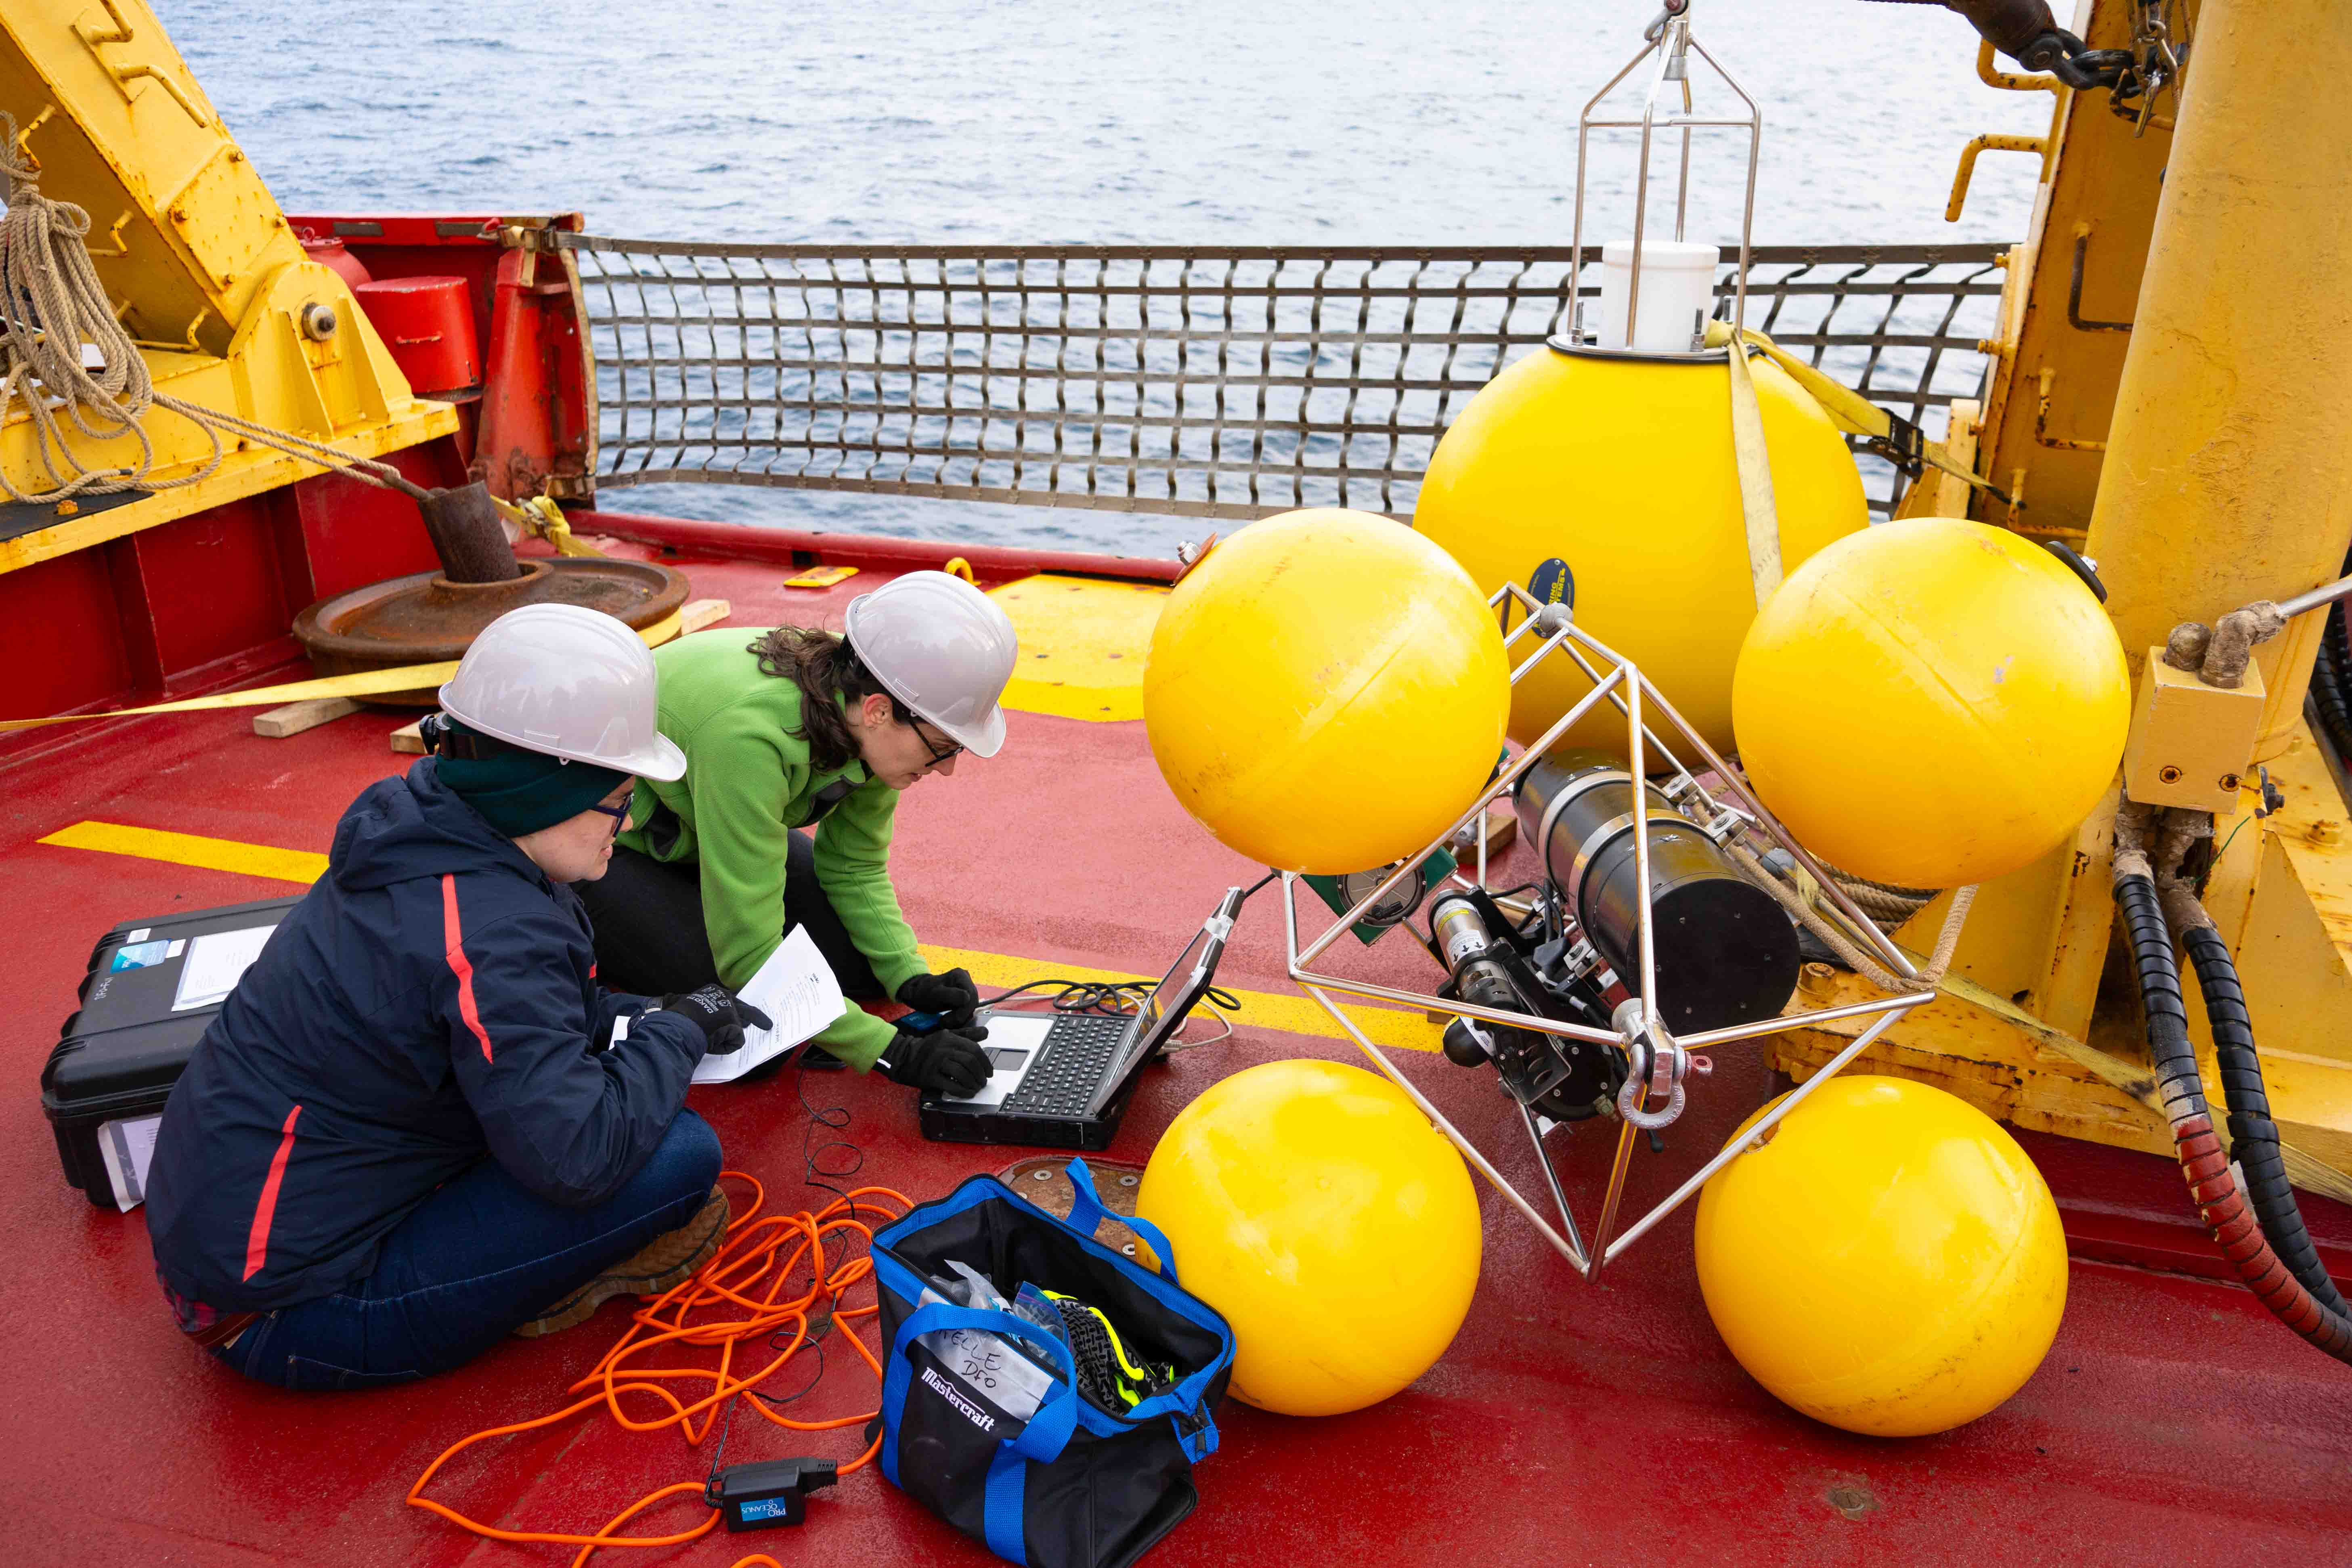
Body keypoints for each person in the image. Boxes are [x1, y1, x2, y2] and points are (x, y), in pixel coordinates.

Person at [144, 604, 768, 1391]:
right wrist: (674, 1038)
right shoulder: (491, 932)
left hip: (234, 1247)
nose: (631, 817)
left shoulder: (430, 837)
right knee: (680, 1156)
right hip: (294, 1311)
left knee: (621, 1102)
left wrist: (655, 1012)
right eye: (621, 793)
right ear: (549, 788)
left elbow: (531, 1020)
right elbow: (577, 1157)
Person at [574, 570, 1017, 1098]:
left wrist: (909, 979)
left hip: (700, 822)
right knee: (752, 1035)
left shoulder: (865, 719)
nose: (945, 769)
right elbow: (748, 959)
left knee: (859, 972)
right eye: (942, 747)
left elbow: (852, 866)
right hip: (599, 849)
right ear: (878, 711)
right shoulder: (750, 738)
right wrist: (889, 1052)